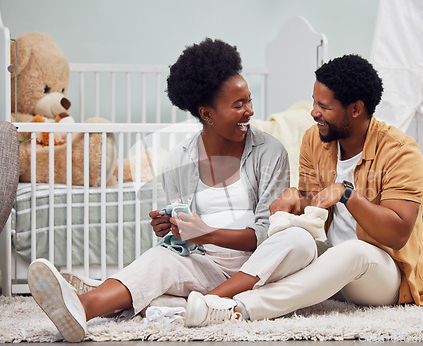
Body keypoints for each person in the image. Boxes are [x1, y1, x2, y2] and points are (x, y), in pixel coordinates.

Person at [27, 38, 317, 342]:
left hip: (260, 265)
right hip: (205, 265)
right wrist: (169, 229)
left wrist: (207, 233)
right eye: (239, 105)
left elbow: (265, 233)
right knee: (160, 258)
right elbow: (183, 242)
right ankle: (83, 308)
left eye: (249, 101)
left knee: (298, 239)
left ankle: (203, 304)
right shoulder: (180, 158)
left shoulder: (270, 152)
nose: (249, 111)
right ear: (207, 114)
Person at [184, 54, 423, 327]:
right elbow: (315, 207)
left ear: (355, 109)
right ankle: (206, 300)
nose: (314, 112)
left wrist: (346, 193)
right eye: (314, 102)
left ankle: (236, 309)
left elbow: (398, 233)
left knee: (355, 251)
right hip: (330, 265)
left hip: (383, 276)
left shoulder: (401, 152)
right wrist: (297, 197)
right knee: (295, 237)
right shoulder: (315, 139)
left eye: (324, 106)